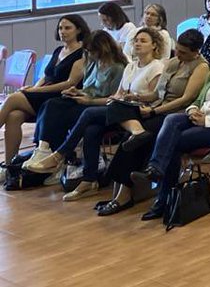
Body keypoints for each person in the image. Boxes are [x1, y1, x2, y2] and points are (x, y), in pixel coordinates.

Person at [25, 26, 168, 196]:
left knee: (88, 113)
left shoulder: (156, 67)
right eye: (136, 40)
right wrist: (90, 95)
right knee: (90, 129)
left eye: (143, 41)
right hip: (119, 107)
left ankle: (59, 155)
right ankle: (89, 179)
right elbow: (117, 94)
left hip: (137, 112)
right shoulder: (131, 67)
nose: (137, 44)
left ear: (154, 45)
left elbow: (154, 97)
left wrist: (132, 97)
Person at [132, 30, 210, 221]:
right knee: (171, 119)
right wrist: (192, 110)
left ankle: (163, 196)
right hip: (201, 119)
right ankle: (156, 172)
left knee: (175, 142)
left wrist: (207, 120)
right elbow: (197, 100)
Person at [94, 29, 210, 215]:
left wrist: (154, 110)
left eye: (183, 53)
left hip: (175, 114)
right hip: (157, 107)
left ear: (196, 52)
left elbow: (186, 99)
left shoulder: (201, 67)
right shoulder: (173, 62)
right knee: (115, 107)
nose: (178, 55)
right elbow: (157, 93)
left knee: (130, 141)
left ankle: (123, 195)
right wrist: (137, 97)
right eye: (177, 50)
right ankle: (137, 137)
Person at [1, 14, 88, 167]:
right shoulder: (59, 50)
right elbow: (47, 76)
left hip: (61, 97)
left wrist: (37, 91)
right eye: (60, 28)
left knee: (13, 98)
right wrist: (34, 88)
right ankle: (9, 166)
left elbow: (69, 83)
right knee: (14, 116)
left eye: (67, 28)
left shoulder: (82, 53)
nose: (63, 31)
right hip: (44, 94)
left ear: (78, 30)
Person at [29, 31, 126, 161]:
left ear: (103, 49)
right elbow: (89, 88)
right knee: (50, 103)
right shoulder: (94, 63)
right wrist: (77, 91)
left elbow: (113, 98)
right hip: (85, 99)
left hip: (98, 105)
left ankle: (52, 150)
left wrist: (88, 101)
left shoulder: (117, 68)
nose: (89, 54)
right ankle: (42, 145)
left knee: (59, 113)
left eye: (92, 51)